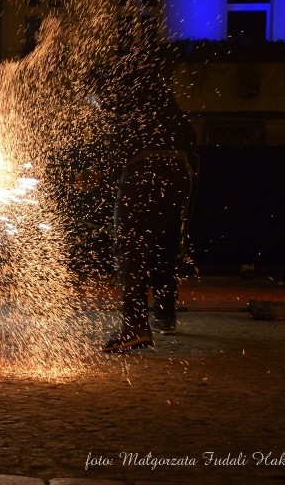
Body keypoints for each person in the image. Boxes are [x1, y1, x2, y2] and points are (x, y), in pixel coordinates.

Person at [77, 60, 196, 352]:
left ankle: (135, 327)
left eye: (94, 96)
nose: (96, 103)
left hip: (146, 173)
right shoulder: (157, 95)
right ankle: (165, 315)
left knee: (131, 248)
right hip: (180, 172)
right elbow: (188, 136)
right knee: (163, 247)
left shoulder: (124, 95)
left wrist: (98, 171)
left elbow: (123, 139)